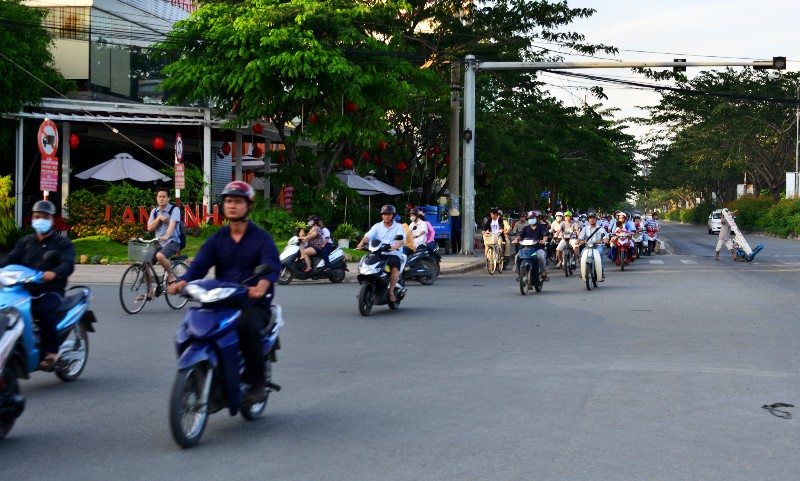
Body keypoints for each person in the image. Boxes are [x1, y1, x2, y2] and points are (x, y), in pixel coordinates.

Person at [167, 181, 280, 404]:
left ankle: (256, 384)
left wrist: (262, 286)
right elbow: (200, 264)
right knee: (195, 324)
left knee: (246, 327)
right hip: (222, 299)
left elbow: (271, 266)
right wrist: (182, 282)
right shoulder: (218, 239)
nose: (232, 206)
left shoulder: (261, 239)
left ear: (248, 205)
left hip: (253, 303)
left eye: (238, 201)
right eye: (229, 201)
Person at [0, 200, 75, 370]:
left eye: (45, 217)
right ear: (32, 219)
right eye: (37, 216)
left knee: (44, 310)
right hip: (24, 289)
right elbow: (10, 260)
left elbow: (68, 264)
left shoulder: (62, 243)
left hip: (51, 290)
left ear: (52, 220)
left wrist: (54, 273)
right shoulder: (25, 242)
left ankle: (52, 352)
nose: (40, 219)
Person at [356, 204, 405, 302]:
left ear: (393, 216)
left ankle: (391, 292)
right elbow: (369, 236)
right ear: (382, 215)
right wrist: (361, 243)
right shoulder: (377, 226)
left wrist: (396, 246)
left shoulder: (399, 227)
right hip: (378, 253)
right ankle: (367, 288)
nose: (386, 216)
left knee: (395, 267)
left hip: (392, 254)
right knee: (366, 261)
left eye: (389, 214)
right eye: (384, 214)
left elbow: (401, 239)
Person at [142, 188, 182, 300]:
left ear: (168, 198)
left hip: (172, 241)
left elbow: (172, 225)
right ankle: (150, 291)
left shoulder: (174, 210)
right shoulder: (154, 212)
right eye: (159, 196)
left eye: (164, 196)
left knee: (160, 255)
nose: (161, 198)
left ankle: (171, 275)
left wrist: (167, 236)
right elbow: (149, 228)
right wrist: (159, 218)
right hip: (158, 243)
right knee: (144, 263)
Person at [513, 211, 549, 282]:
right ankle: (518, 274)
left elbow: (545, 235)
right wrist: (516, 239)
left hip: (538, 248)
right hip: (527, 248)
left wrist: (543, 240)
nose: (531, 219)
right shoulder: (526, 228)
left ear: (537, 218)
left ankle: (543, 273)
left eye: (533, 218)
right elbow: (520, 235)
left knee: (540, 257)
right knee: (517, 256)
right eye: (529, 218)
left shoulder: (541, 227)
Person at [578, 211, 609, 281]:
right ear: (588, 220)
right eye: (590, 218)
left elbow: (605, 236)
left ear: (596, 219)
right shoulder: (585, 228)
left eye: (593, 218)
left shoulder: (600, 228)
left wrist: (605, 240)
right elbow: (580, 237)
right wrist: (578, 241)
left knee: (600, 253)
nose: (592, 219)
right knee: (582, 254)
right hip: (588, 246)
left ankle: (601, 271)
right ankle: (582, 271)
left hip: (598, 246)